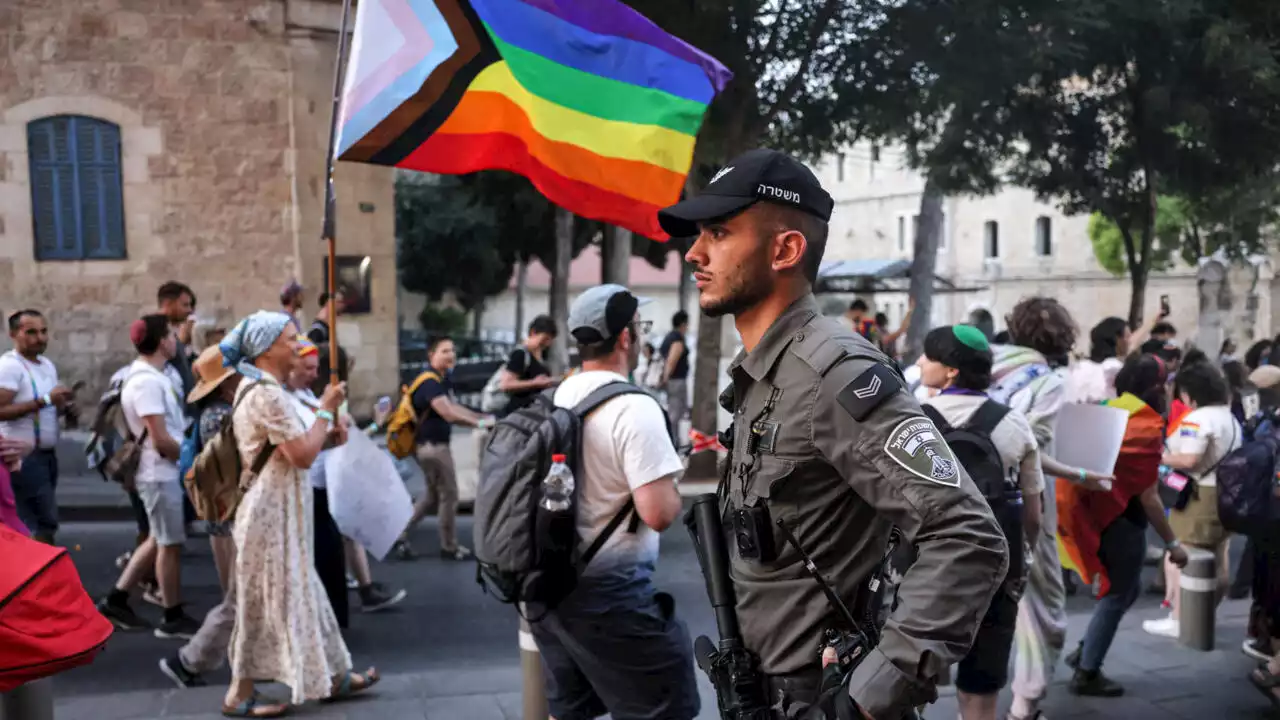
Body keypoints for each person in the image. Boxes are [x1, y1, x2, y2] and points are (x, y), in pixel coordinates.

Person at [661, 147, 1009, 719]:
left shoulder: (834, 372)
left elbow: (968, 536)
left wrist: (867, 698)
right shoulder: (767, 374)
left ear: (786, 249)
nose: (694, 254)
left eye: (719, 233)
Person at [529, 284, 698, 720]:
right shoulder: (634, 408)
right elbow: (658, 513)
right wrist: (670, 479)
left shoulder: (558, 396)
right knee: (667, 706)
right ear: (625, 337)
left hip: (548, 587)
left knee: (570, 711)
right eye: (638, 329)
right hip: (610, 594)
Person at [220, 311, 377, 715]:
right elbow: (302, 455)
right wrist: (325, 411)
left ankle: (332, 674)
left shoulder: (260, 387)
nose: (298, 344)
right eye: (291, 339)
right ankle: (239, 694)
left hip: (280, 507)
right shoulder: (265, 393)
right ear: (267, 348)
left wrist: (325, 432)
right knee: (262, 600)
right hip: (269, 512)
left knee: (306, 590)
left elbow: (288, 452)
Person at [916, 326, 1044, 720]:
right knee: (981, 694)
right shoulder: (1013, 424)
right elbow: (1033, 514)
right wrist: (1024, 558)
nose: (920, 362)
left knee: (908, 688)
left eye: (928, 356)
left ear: (951, 371)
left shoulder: (913, 424)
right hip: (995, 573)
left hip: (924, 576)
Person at [988, 296, 1094, 720]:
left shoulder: (979, 362)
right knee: (1041, 605)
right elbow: (1025, 449)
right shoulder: (1047, 381)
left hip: (959, 497)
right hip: (1020, 500)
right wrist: (1082, 474)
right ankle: (1025, 704)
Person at [1059, 354, 1189, 697]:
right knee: (1117, 594)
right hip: (1122, 523)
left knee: (1124, 591)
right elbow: (1149, 497)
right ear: (1158, 388)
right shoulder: (1145, 425)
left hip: (1095, 517)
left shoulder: (1105, 408)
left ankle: (1085, 651)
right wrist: (1173, 544)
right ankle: (1087, 671)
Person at [97, 316, 201, 638]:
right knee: (169, 544)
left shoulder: (153, 376)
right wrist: (193, 463)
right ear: (160, 341)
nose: (176, 340)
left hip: (161, 471)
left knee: (159, 538)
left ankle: (116, 599)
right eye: (171, 335)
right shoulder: (145, 382)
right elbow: (160, 438)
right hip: (159, 473)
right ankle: (172, 615)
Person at [288, 339, 405, 619]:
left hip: (325, 487)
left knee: (336, 554)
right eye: (308, 368)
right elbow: (306, 448)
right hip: (309, 490)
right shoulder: (297, 402)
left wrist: (372, 423)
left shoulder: (310, 399)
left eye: (317, 368)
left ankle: (349, 604)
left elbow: (336, 441)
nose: (313, 374)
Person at [1144, 360, 1242, 639]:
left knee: (1181, 552)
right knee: (1217, 556)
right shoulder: (1229, 416)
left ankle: (1180, 618)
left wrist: (1158, 456)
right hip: (1225, 492)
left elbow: (1189, 458)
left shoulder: (1199, 419)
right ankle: (1203, 612)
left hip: (1200, 495)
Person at [394, 337, 493, 560]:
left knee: (431, 496)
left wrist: (482, 416)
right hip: (433, 448)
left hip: (429, 447)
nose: (451, 355)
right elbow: (448, 413)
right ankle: (449, 546)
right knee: (450, 494)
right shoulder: (429, 382)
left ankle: (400, 534)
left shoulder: (440, 380)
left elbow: (455, 407)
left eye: (453, 350)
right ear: (432, 355)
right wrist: (479, 423)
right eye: (444, 351)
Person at [0, 310, 72, 544]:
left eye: (43, 331)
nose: (40, 338)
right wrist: (46, 401)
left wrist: (64, 407)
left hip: (46, 456)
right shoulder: (10, 367)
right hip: (23, 456)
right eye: (31, 332)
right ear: (13, 334)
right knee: (40, 522)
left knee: (44, 521)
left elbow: (48, 405)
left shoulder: (46, 365)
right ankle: (37, 575)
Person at [497, 315, 558, 415]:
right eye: (544, 339)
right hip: (518, 413)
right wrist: (534, 383)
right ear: (533, 333)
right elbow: (506, 384)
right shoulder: (520, 354)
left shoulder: (542, 356)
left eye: (550, 340)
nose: (547, 344)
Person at [1067, 317, 1130, 404]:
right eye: (1127, 337)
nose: (1129, 342)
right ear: (1117, 339)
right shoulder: (1114, 367)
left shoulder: (1079, 367)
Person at [659, 311, 691, 439]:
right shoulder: (677, 338)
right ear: (683, 324)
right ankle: (673, 442)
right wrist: (666, 378)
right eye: (687, 324)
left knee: (675, 413)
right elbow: (672, 360)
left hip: (672, 381)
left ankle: (673, 440)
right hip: (676, 381)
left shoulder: (669, 336)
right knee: (675, 415)